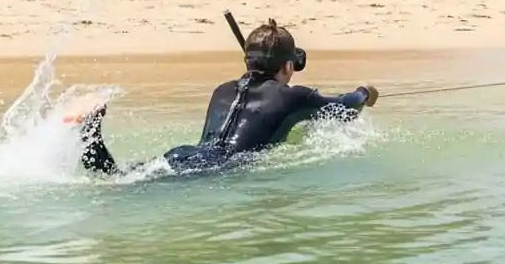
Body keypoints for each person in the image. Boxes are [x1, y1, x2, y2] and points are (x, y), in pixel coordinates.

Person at [68, 20, 378, 177]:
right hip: (219, 168)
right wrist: (365, 91)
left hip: (185, 154)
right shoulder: (294, 97)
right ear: (287, 66)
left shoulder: (223, 90)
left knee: (116, 178)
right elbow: (345, 108)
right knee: (120, 188)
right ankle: (89, 131)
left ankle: (89, 132)